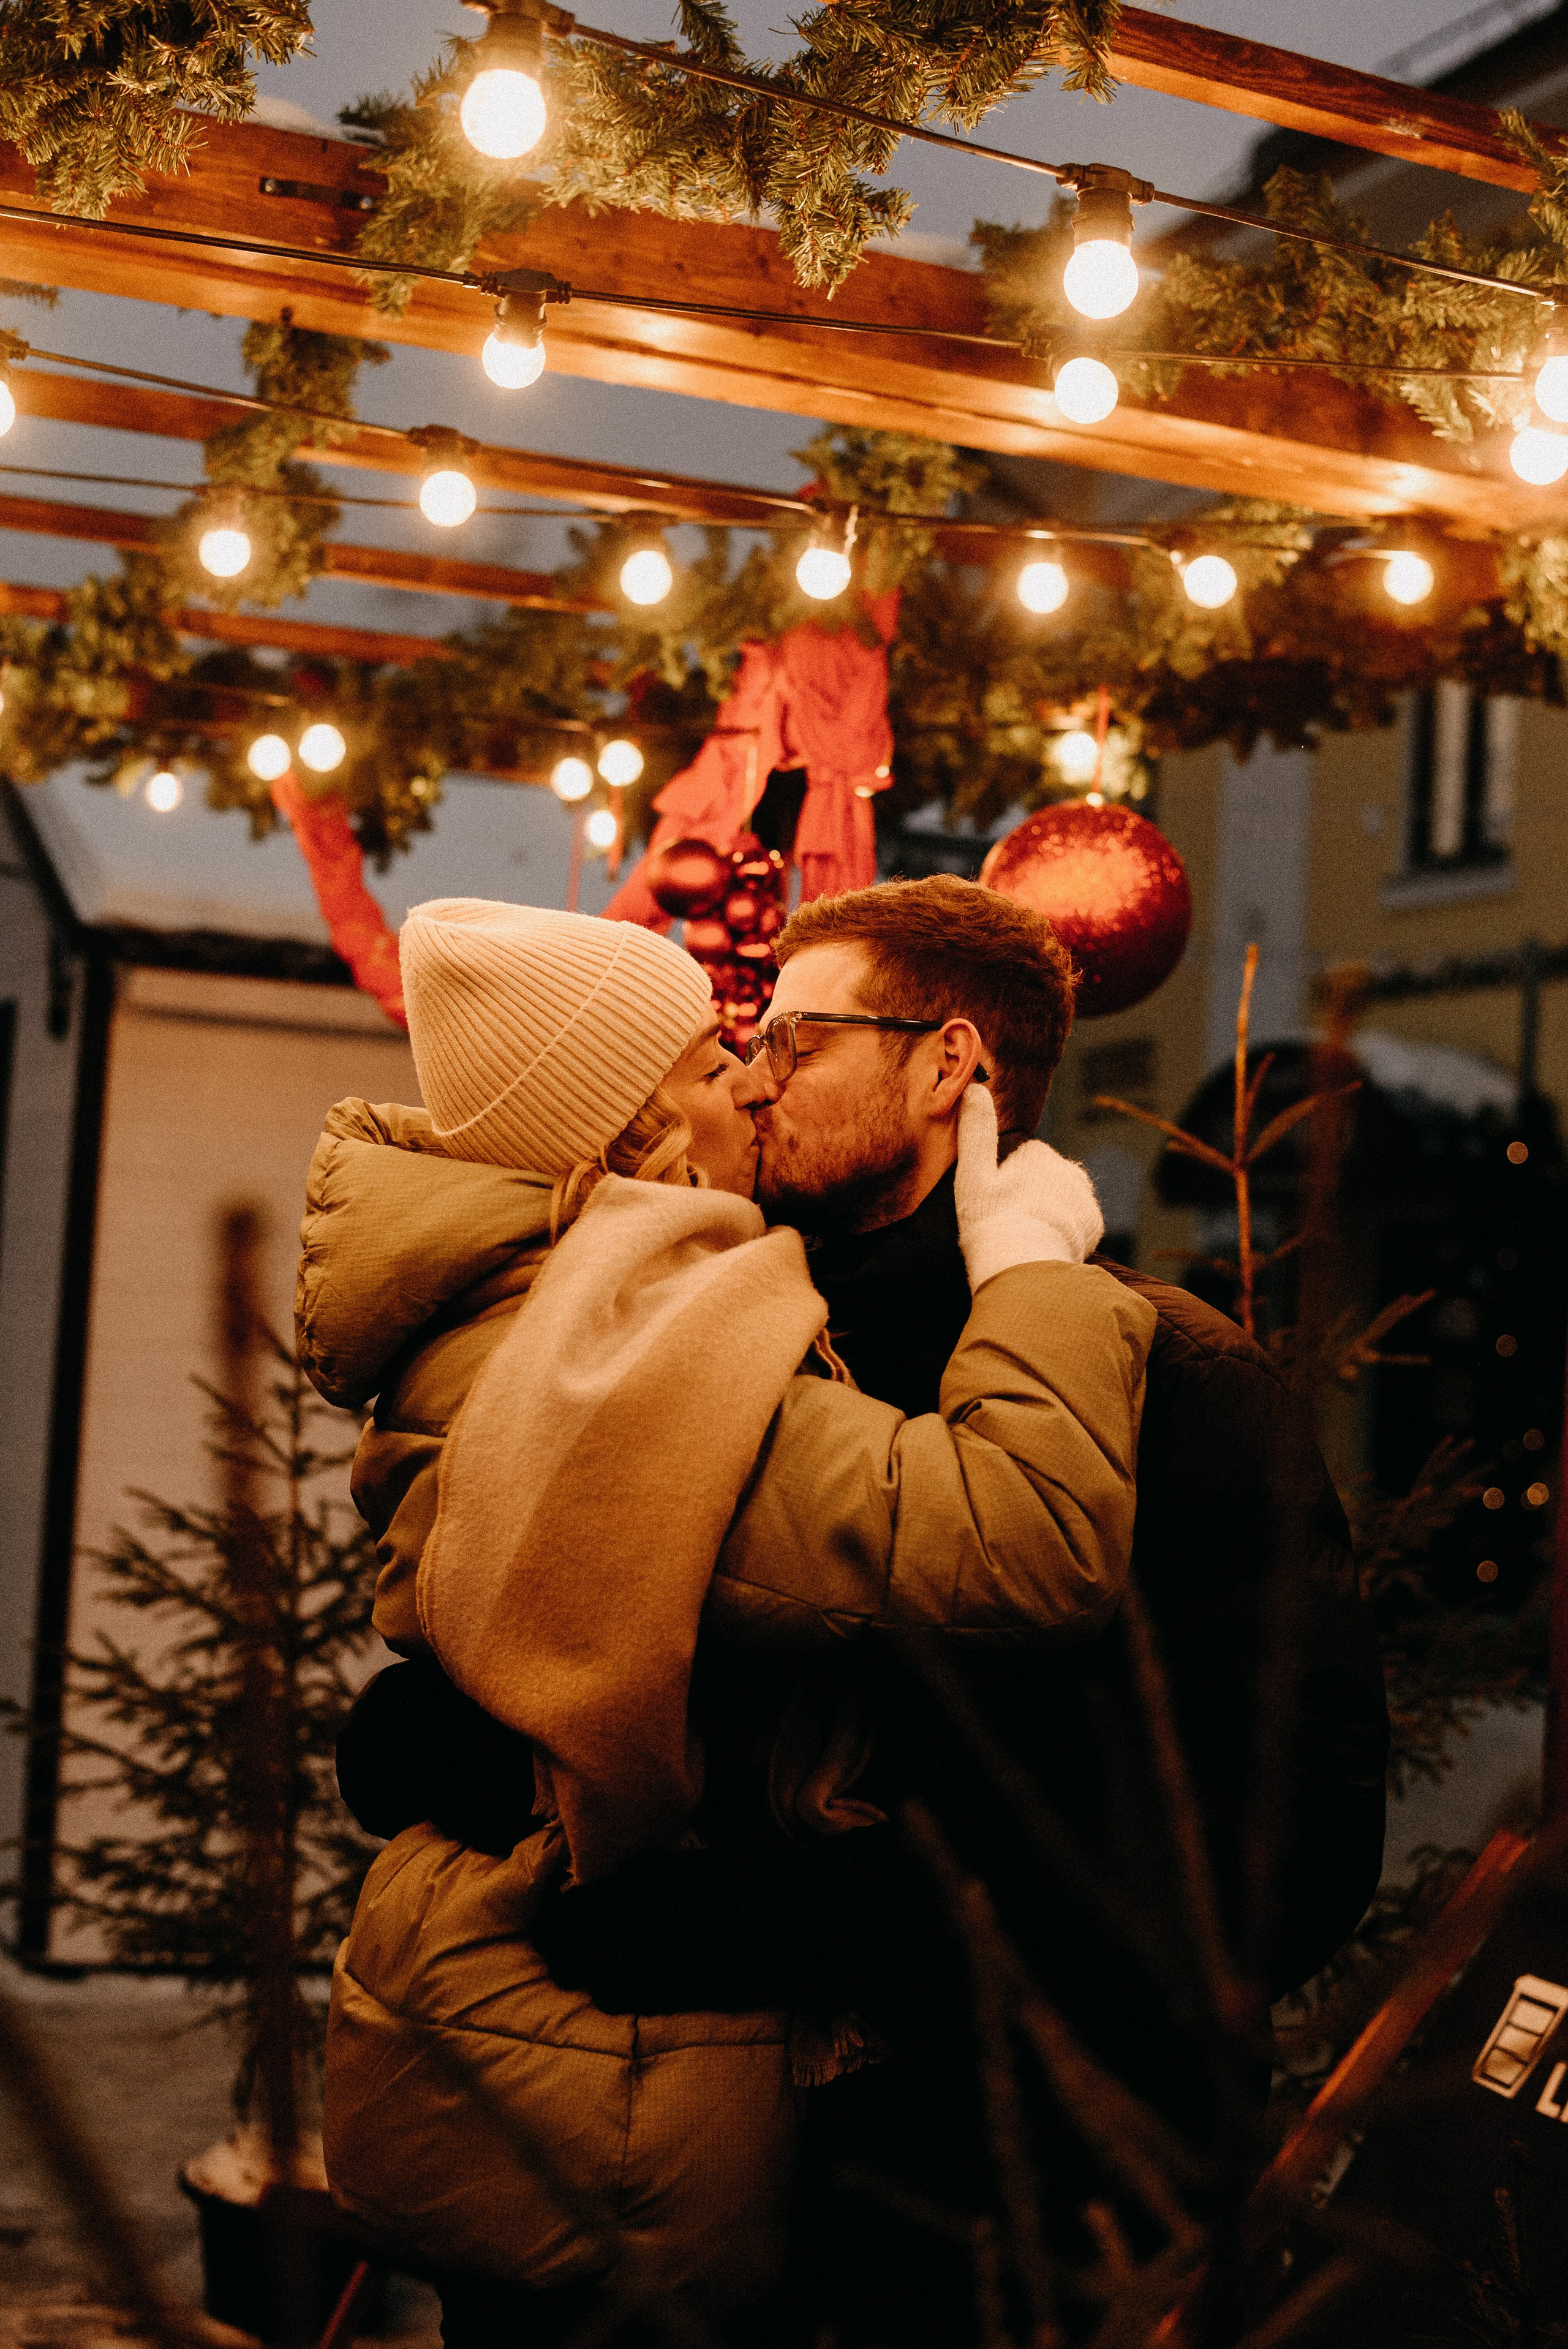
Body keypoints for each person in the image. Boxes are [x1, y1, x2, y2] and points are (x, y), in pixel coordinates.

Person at [306, 895, 1156, 2338]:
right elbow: (1025, 1537)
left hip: (550, 2060)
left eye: (780, 1044)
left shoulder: (584, 1303)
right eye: (717, 1062)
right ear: (632, 1137)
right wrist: (1036, 1273)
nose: (755, 1081)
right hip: (594, 2090)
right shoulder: (624, 1353)